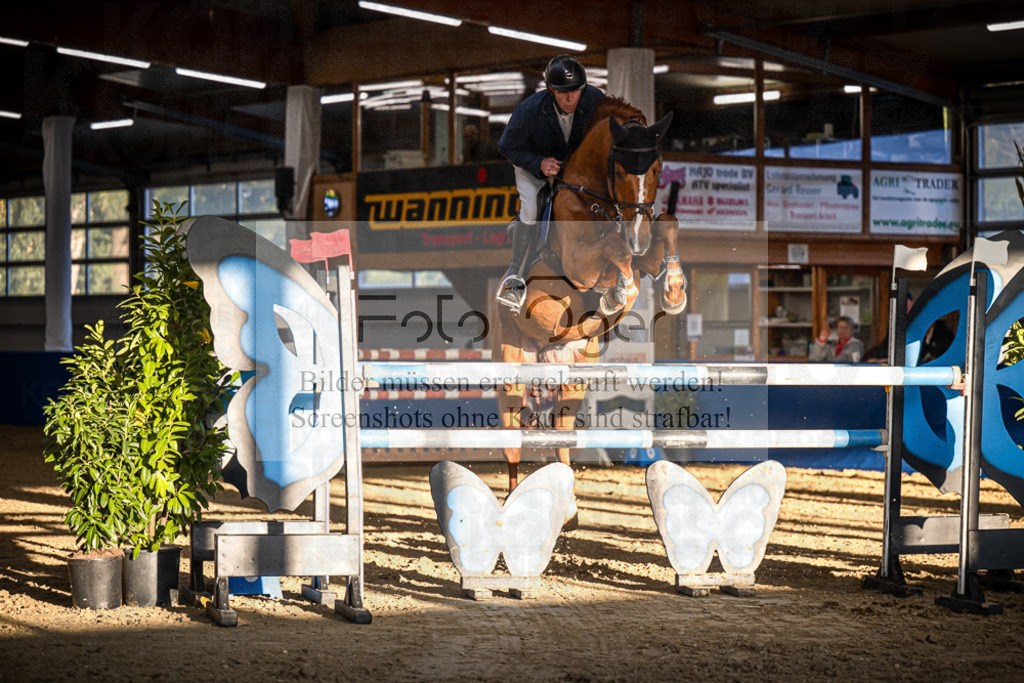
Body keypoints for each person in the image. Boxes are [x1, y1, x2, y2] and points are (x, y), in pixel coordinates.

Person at [494, 54, 605, 312]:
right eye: (563, 93)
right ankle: (516, 279)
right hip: (533, 167)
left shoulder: (596, 100)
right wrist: (539, 163)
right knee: (531, 209)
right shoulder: (529, 110)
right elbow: (506, 147)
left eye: (576, 91)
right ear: (551, 89)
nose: (571, 99)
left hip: (575, 170)